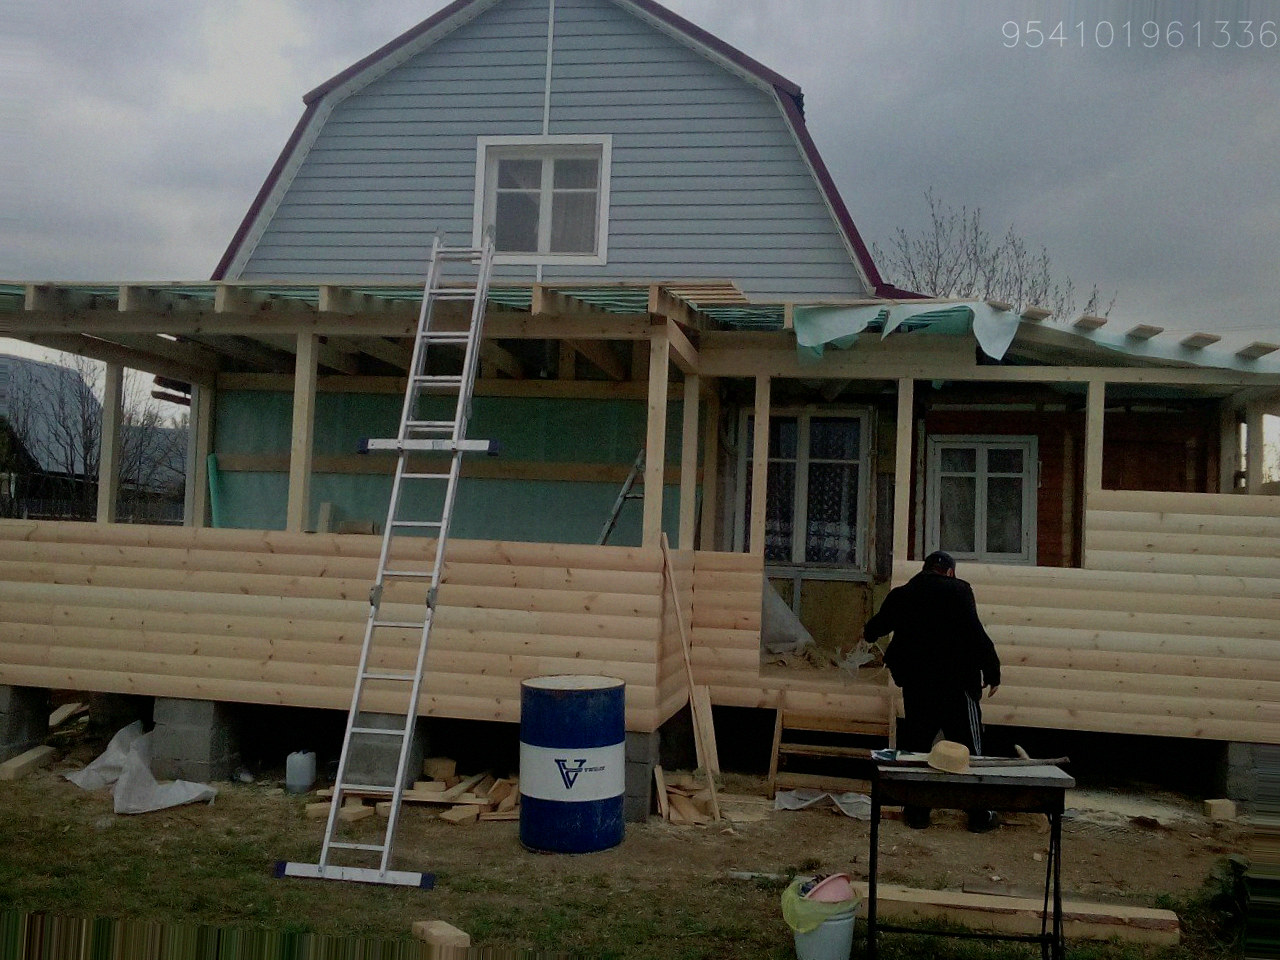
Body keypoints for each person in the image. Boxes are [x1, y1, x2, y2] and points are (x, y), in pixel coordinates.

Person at [861, 550, 1001, 832]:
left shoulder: (903, 593)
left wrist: (868, 634)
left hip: (918, 687)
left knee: (917, 749)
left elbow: (877, 627)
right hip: (957, 686)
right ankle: (978, 815)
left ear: (925, 569)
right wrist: (992, 669)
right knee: (970, 751)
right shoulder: (960, 591)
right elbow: (976, 633)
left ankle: (917, 813)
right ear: (950, 571)